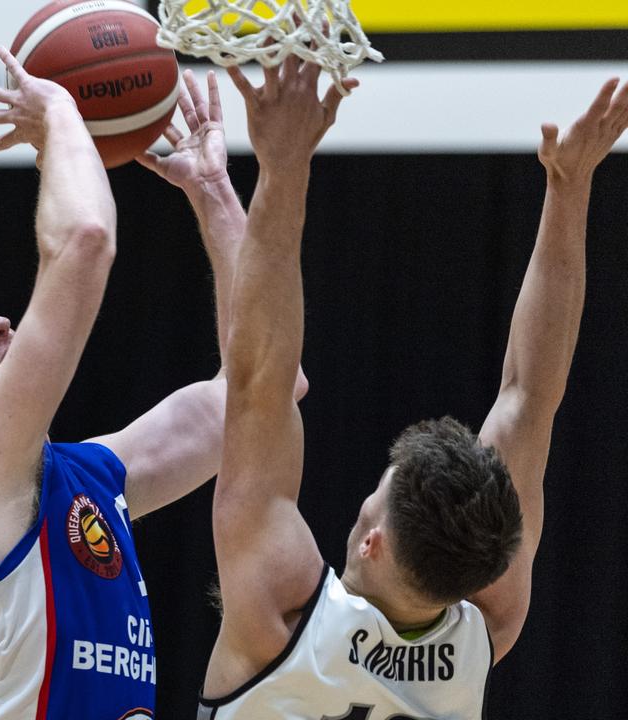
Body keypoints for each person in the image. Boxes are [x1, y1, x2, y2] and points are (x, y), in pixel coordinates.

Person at [0, 48, 298, 717]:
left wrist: (212, 192)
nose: (0, 323)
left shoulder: (94, 477)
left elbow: (267, 388)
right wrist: (61, 110)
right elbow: (84, 241)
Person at [198, 55, 628, 719]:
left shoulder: (280, 617)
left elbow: (259, 374)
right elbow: (526, 396)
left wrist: (283, 167)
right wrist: (572, 193)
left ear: (374, 542)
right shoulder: (484, 630)